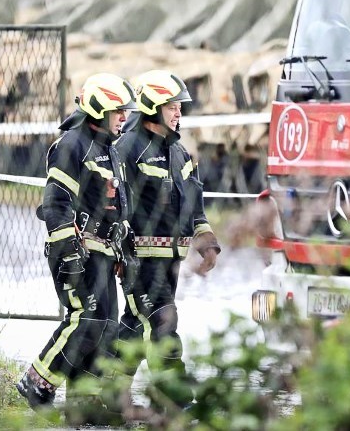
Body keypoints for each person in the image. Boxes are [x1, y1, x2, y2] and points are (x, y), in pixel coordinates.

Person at [16, 72, 138, 416]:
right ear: (99, 110)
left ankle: (84, 401)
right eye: (118, 112)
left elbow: (119, 206)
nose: (124, 118)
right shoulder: (72, 144)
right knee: (84, 320)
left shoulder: (109, 150)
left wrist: (124, 250)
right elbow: (56, 204)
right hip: (76, 251)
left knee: (106, 326)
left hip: (103, 252)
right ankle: (37, 380)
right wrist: (68, 250)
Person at [113, 69, 221, 409]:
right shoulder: (126, 149)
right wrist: (115, 251)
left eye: (180, 107)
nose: (178, 113)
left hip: (171, 261)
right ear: (152, 107)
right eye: (172, 106)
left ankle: (105, 392)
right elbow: (110, 203)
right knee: (162, 321)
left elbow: (195, 206)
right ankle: (174, 401)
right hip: (138, 260)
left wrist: (207, 241)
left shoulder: (181, 155)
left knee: (135, 325)